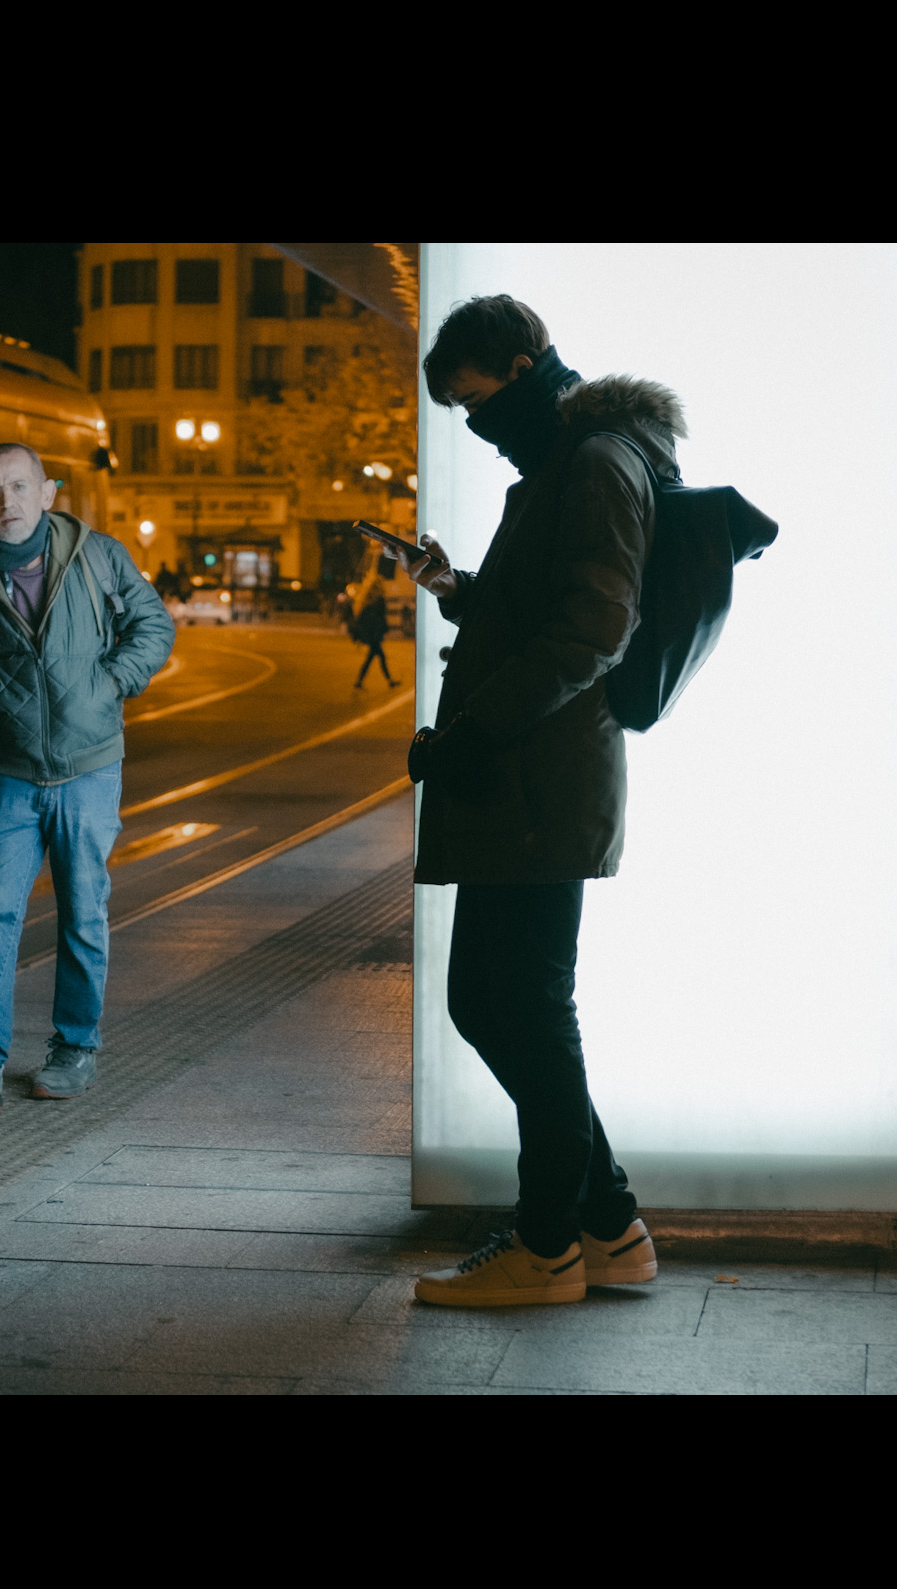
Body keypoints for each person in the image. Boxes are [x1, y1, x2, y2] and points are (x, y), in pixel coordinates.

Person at [394, 294, 662, 1308]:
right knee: (491, 1002)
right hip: (522, 780)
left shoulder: (594, 463)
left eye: (473, 402)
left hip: (537, 783)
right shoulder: (564, 461)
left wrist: (475, 729)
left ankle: (547, 1244)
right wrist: (456, 588)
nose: (474, 424)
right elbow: (544, 607)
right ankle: (609, 1225)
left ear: (521, 364)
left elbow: (593, 628)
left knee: (528, 1010)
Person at [0, 443, 175, 1110]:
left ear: (48, 492)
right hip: (7, 775)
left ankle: (74, 1049)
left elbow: (153, 626)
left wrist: (110, 684)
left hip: (89, 770)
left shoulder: (100, 555)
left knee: (82, 914)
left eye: (19, 486)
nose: (6, 501)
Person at [351, 587, 399, 688]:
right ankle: (389, 681)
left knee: (373, 659)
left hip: (373, 638)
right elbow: (379, 619)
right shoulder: (376, 605)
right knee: (379, 659)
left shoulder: (369, 606)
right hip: (374, 638)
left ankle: (359, 681)